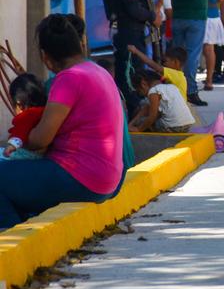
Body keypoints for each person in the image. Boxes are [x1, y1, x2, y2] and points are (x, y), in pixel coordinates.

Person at [0, 15, 124, 230]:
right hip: (109, 177)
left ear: (46, 57)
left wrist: (19, 138)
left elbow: (40, 139)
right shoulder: (98, 71)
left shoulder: (68, 79)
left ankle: (15, 241)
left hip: (81, 177)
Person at [101, 0, 162, 118]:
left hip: (127, 32)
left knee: (129, 71)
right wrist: (152, 17)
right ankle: (134, 110)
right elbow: (132, 8)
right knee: (131, 74)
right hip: (129, 33)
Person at [163, 0, 218, 106]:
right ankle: (191, 90)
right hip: (196, 16)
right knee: (192, 55)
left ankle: (175, 88)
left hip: (177, 15)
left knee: (176, 55)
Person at [128, 69, 195, 133]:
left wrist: (138, 129)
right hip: (188, 125)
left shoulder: (153, 91)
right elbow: (147, 109)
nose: (139, 93)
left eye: (138, 91)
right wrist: (130, 124)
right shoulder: (171, 86)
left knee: (144, 122)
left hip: (173, 128)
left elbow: (152, 117)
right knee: (148, 110)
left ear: (143, 84)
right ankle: (131, 126)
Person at [2, 74, 47, 160]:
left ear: (19, 104)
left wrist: (11, 146)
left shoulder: (27, 115)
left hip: (28, 154)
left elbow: (20, 132)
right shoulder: (47, 111)